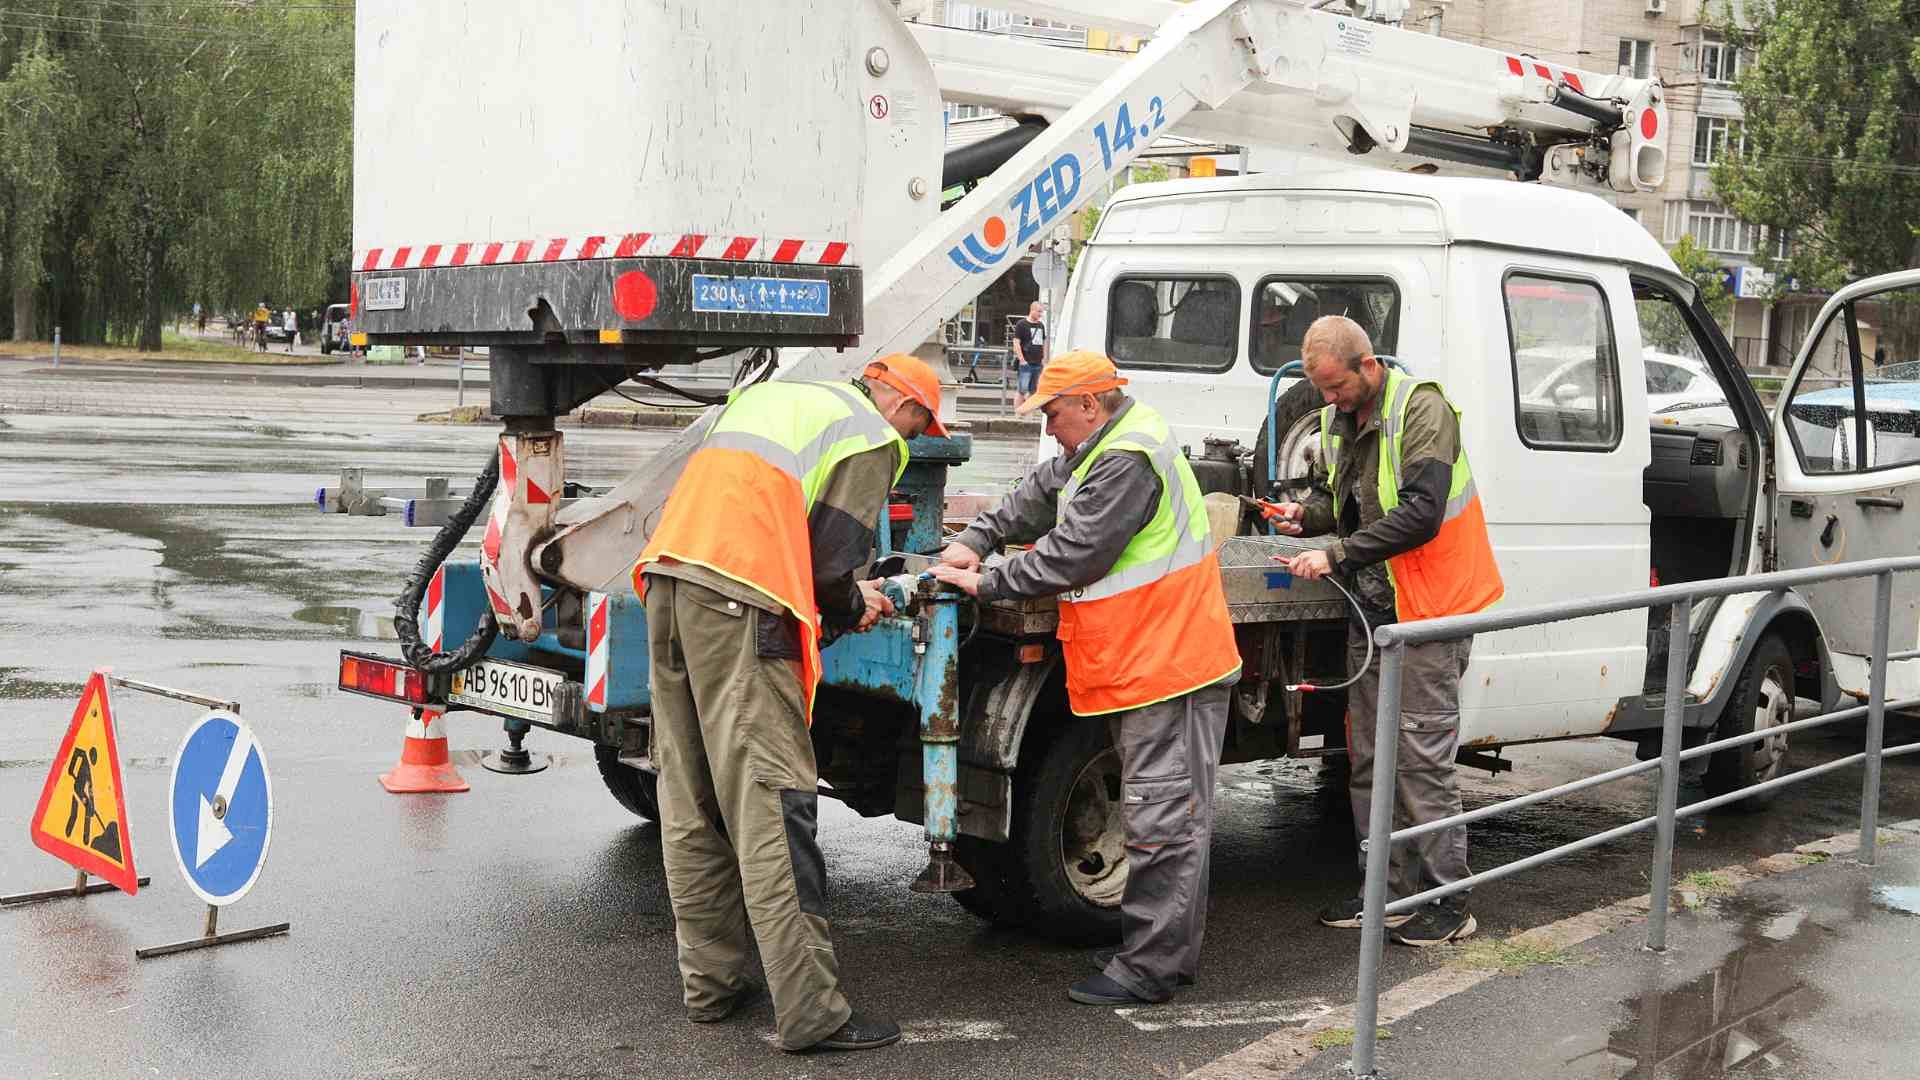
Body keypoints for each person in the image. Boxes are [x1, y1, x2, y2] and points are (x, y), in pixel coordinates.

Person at [633, 354, 946, 1054]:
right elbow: (831, 567)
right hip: (743, 602)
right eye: (921, 423)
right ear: (899, 403)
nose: (915, 439)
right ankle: (811, 1013)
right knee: (773, 804)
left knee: (690, 797)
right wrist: (855, 600)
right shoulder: (869, 435)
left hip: (669, 579)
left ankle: (710, 987)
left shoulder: (779, 402)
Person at [929, 351, 1241, 1008]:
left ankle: (1151, 969)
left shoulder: (1127, 457)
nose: (1049, 427)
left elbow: (1075, 553)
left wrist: (985, 580)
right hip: (1143, 665)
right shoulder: (1102, 445)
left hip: (1169, 666)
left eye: (1052, 413)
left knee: (1162, 822)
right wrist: (979, 537)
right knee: (1159, 816)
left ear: (1089, 406)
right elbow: (1041, 493)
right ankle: (1151, 948)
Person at [1261, 316, 1503, 948]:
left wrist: (1337, 554)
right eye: (1322, 391)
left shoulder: (1421, 409)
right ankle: (1386, 893)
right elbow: (1346, 502)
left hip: (1429, 610)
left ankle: (1449, 902)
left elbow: (1421, 513)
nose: (1329, 401)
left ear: (1367, 366)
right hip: (1375, 612)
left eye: (1337, 388)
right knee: (1370, 760)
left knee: (1421, 762)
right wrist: (1305, 516)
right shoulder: (1343, 418)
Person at [1012, 301, 1047, 407]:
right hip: (1026, 362)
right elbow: (1016, 343)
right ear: (1032, 310)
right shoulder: (1021, 324)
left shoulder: (1041, 325)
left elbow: (1043, 342)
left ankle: (1028, 411)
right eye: (1039, 311)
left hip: (1037, 362)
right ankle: (1018, 413)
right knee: (1022, 390)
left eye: (1042, 312)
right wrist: (1022, 360)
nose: (1040, 314)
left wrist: (1044, 358)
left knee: (1033, 390)